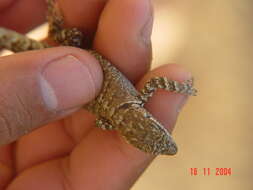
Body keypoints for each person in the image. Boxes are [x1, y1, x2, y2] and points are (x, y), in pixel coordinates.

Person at [0, 0, 192, 189]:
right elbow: (101, 122)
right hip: (67, 59)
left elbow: (156, 82)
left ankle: (56, 29)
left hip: (70, 56)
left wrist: (181, 88)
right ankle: (55, 30)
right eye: (160, 132)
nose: (164, 135)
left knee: (72, 35)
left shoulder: (137, 100)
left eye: (159, 134)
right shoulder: (109, 123)